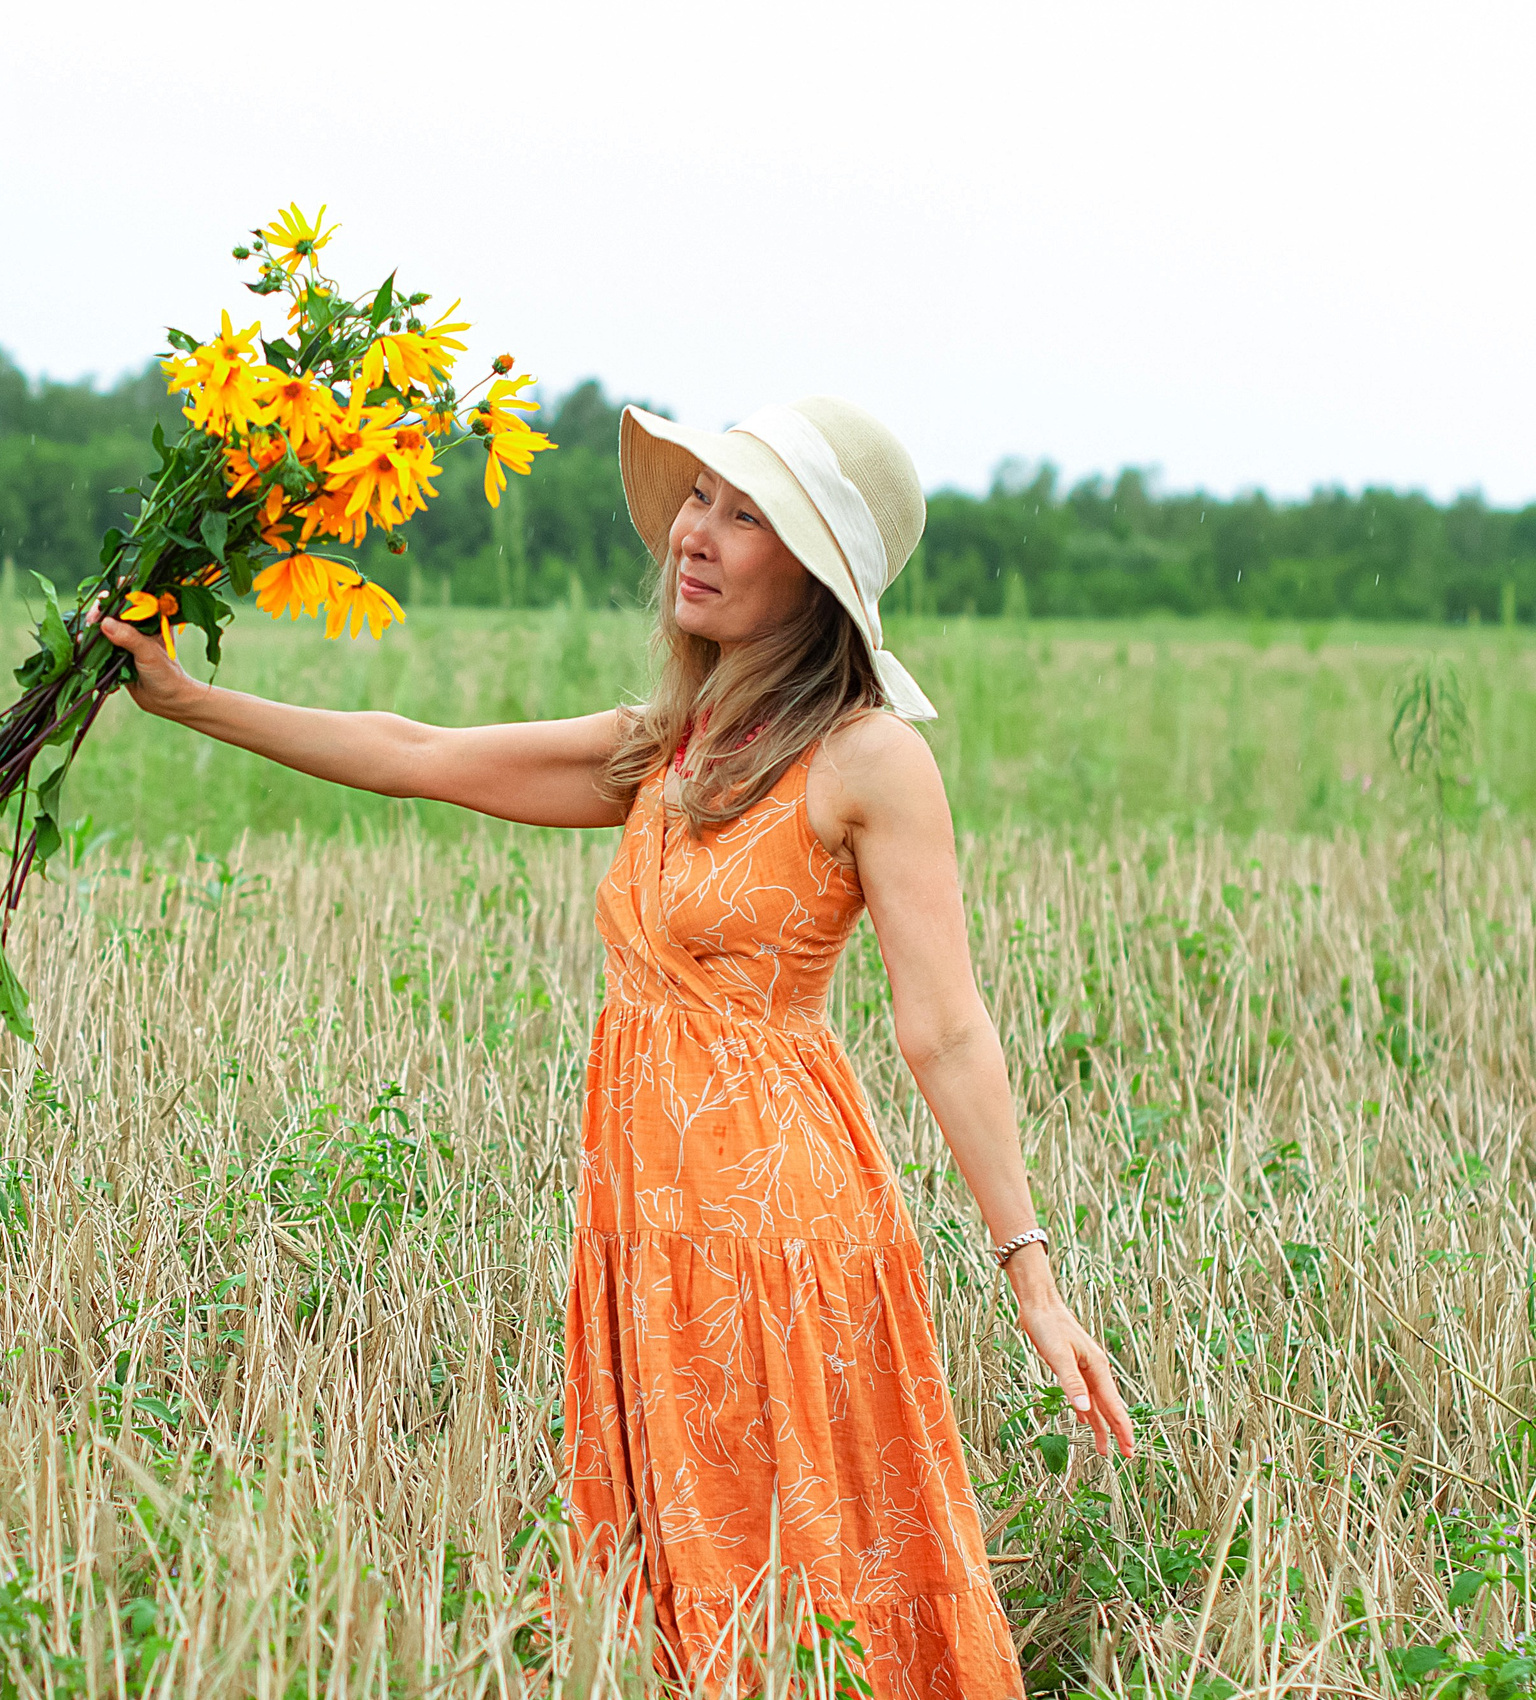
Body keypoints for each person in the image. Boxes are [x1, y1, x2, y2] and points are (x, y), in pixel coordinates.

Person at [96, 394, 1135, 1697]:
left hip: (781, 1235)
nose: (697, 532)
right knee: (696, 1587)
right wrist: (188, 701)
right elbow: (418, 754)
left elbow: (946, 1030)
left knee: (805, 1581)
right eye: (701, 497)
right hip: (642, 1231)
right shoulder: (671, 750)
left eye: (746, 516)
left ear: (813, 579)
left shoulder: (868, 761)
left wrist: (1032, 1278)